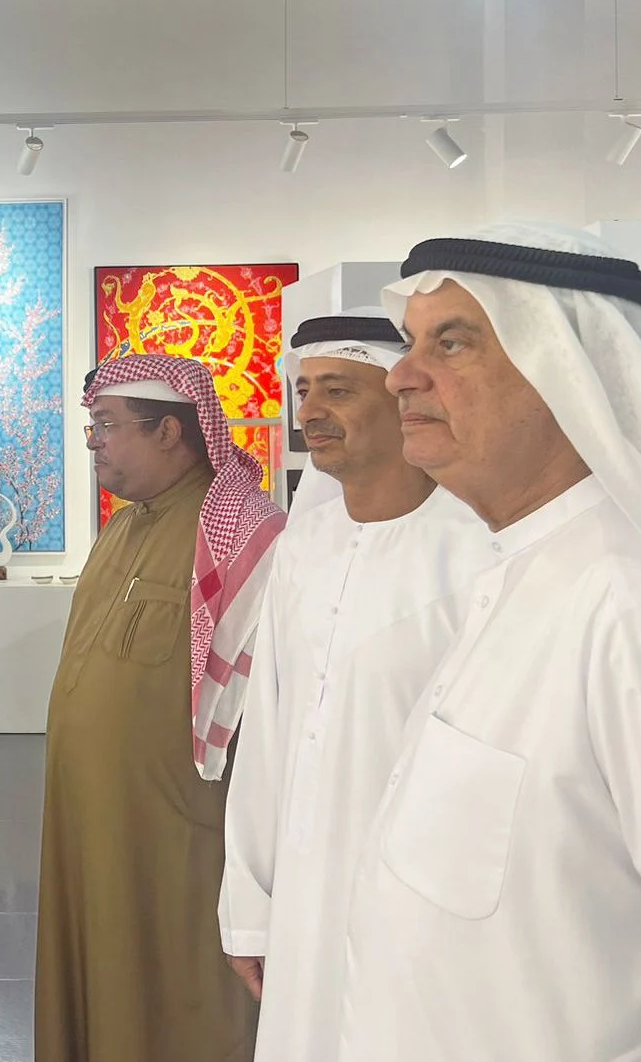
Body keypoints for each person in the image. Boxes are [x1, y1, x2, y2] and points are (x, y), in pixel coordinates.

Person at [336, 222, 641, 1060]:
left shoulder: (637, 614)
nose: (400, 375)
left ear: (565, 373)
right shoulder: (516, 572)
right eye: (409, 343)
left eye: (452, 343)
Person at [218, 309, 495, 1061]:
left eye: (337, 390)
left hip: (430, 908)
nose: (310, 411)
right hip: (304, 903)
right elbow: (268, 735)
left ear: (402, 399)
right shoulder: (304, 544)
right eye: (303, 390)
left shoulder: (478, 549)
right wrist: (249, 909)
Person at [34, 353, 286, 1062]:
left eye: (107, 425)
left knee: (175, 989)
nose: (93, 442)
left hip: (178, 835)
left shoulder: (247, 536)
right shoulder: (123, 529)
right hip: (93, 822)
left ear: (170, 431)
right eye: (92, 427)